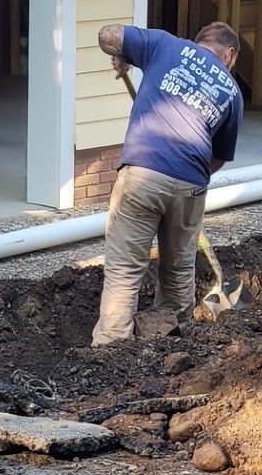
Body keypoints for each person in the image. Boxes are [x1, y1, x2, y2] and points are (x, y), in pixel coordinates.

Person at [92, 20, 242, 346]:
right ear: (228, 54)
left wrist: (124, 53)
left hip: (143, 174)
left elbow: (107, 35)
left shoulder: (166, 45)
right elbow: (218, 159)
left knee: (125, 270)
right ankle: (170, 346)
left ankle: (110, 353)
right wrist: (183, 180)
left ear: (199, 41)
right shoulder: (232, 90)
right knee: (177, 270)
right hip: (192, 183)